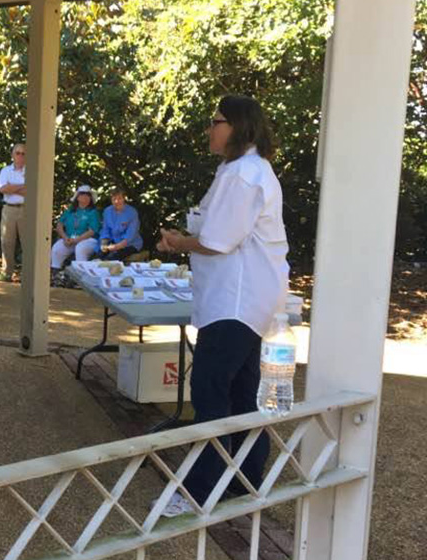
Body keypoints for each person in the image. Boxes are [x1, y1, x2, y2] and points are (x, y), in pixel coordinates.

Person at [155, 95, 288, 517]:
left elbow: (217, 241)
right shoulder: (240, 170)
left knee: (211, 391)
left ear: (238, 126)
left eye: (216, 121)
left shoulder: (244, 174)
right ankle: (244, 480)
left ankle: (197, 491)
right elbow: (217, 230)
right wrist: (187, 236)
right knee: (240, 393)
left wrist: (178, 242)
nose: (209, 129)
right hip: (243, 302)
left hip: (236, 302)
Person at [50, 184, 101, 271]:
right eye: (82, 194)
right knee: (57, 249)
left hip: (88, 240)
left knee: (80, 248)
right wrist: (65, 238)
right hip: (70, 239)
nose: (85, 196)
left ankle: (81, 274)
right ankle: (56, 273)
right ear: (77, 197)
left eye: (88, 194)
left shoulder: (93, 212)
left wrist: (76, 240)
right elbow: (59, 225)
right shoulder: (70, 211)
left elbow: (92, 231)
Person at [0, 143, 27, 280]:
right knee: (7, 242)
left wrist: (12, 187)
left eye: (23, 153)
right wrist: (23, 187)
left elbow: (31, 191)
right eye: (17, 153)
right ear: (12, 155)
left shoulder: (31, 171)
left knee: (27, 242)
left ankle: (28, 274)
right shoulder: (5, 171)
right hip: (9, 209)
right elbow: (3, 189)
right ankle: (7, 273)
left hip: (26, 210)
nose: (20, 156)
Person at [99, 187, 143, 261]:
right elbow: (105, 230)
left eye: (119, 198)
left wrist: (115, 247)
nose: (116, 201)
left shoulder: (132, 212)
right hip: (113, 241)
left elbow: (130, 236)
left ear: (124, 199)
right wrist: (104, 244)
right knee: (99, 256)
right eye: (114, 199)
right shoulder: (107, 211)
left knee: (111, 259)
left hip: (130, 244)